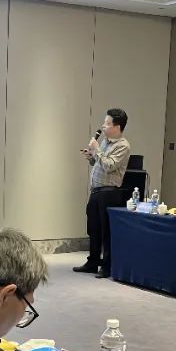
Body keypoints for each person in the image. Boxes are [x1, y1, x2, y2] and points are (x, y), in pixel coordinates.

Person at [75, 108, 131, 279]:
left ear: (117, 127)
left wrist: (97, 150)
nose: (103, 126)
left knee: (106, 231)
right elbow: (99, 163)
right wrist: (91, 157)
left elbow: (109, 165)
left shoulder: (123, 146)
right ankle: (92, 262)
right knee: (93, 228)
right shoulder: (105, 142)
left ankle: (106, 266)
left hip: (109, 193)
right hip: (96, 191)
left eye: (107, 123)